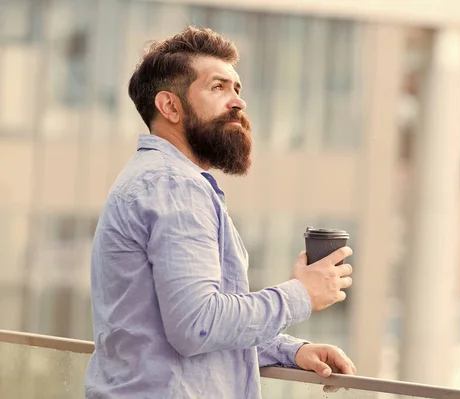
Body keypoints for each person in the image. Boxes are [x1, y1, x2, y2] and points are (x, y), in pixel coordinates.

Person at [84, 26, 356, 399]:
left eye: (237, 89)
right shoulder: (174, 185)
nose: (238, 102)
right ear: (170, 106)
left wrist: (289, 350)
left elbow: (170, 328)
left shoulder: (157, 180)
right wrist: (300, 295)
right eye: (218, 87)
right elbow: (198, 325)